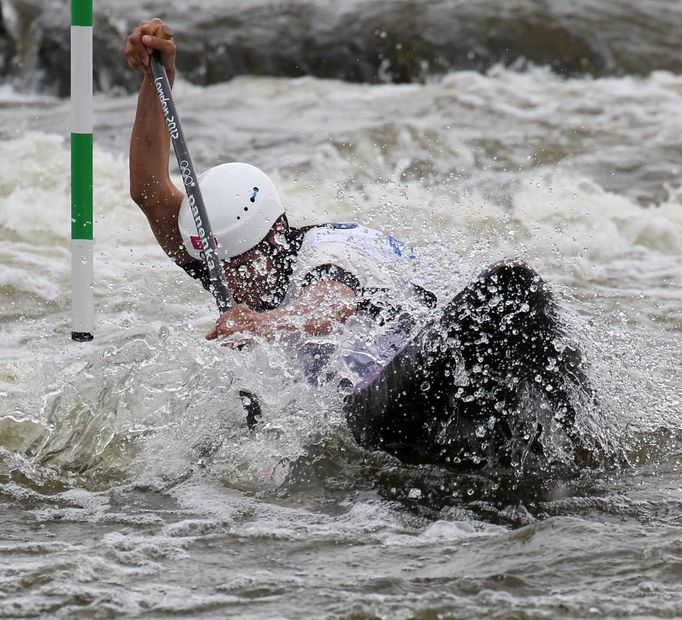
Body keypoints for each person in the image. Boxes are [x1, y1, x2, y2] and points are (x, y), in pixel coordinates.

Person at [124, 19, 593, 467]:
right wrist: (157, 77)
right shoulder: (224, 251)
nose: (231, 281)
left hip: (427, 368)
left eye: (243, 266)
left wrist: (265, 323)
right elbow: (148, 191)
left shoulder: (330, 250)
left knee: (509, 291)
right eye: (222, 269)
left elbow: (329, 306)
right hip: (373, 402)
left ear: (278, 232)